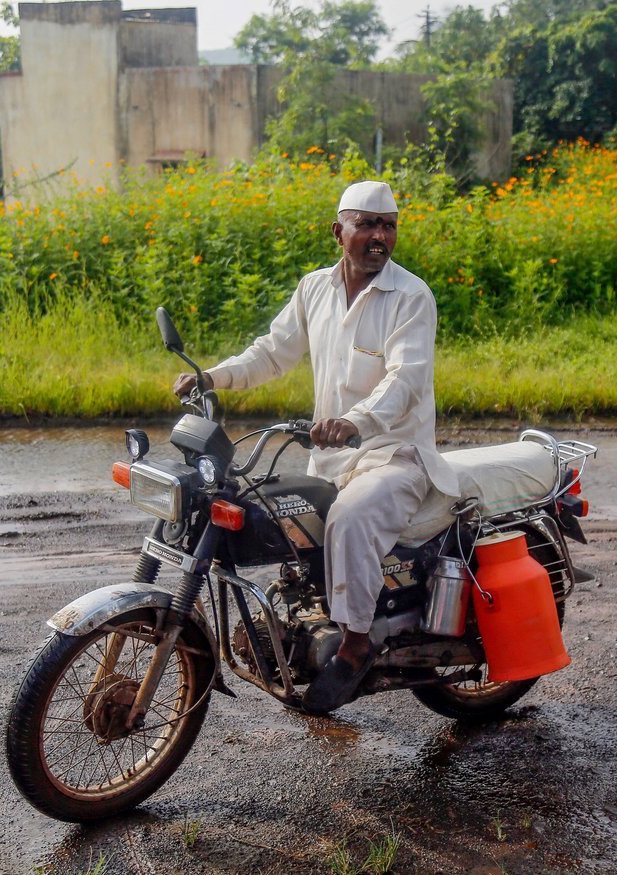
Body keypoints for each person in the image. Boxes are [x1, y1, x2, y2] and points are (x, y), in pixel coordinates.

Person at [173, 180, 456, 714]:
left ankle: (355, 645)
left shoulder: (411, 296)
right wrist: (213, 377)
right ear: (338, 231)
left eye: (388, 226)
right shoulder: (315, 289)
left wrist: (354, 421)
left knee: (348, 518)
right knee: (278, 509)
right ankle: (305, 618)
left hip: (393, 456)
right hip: (330, 458)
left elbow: (405, 379)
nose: (379, 236)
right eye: (367, 225)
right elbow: (272, 353)